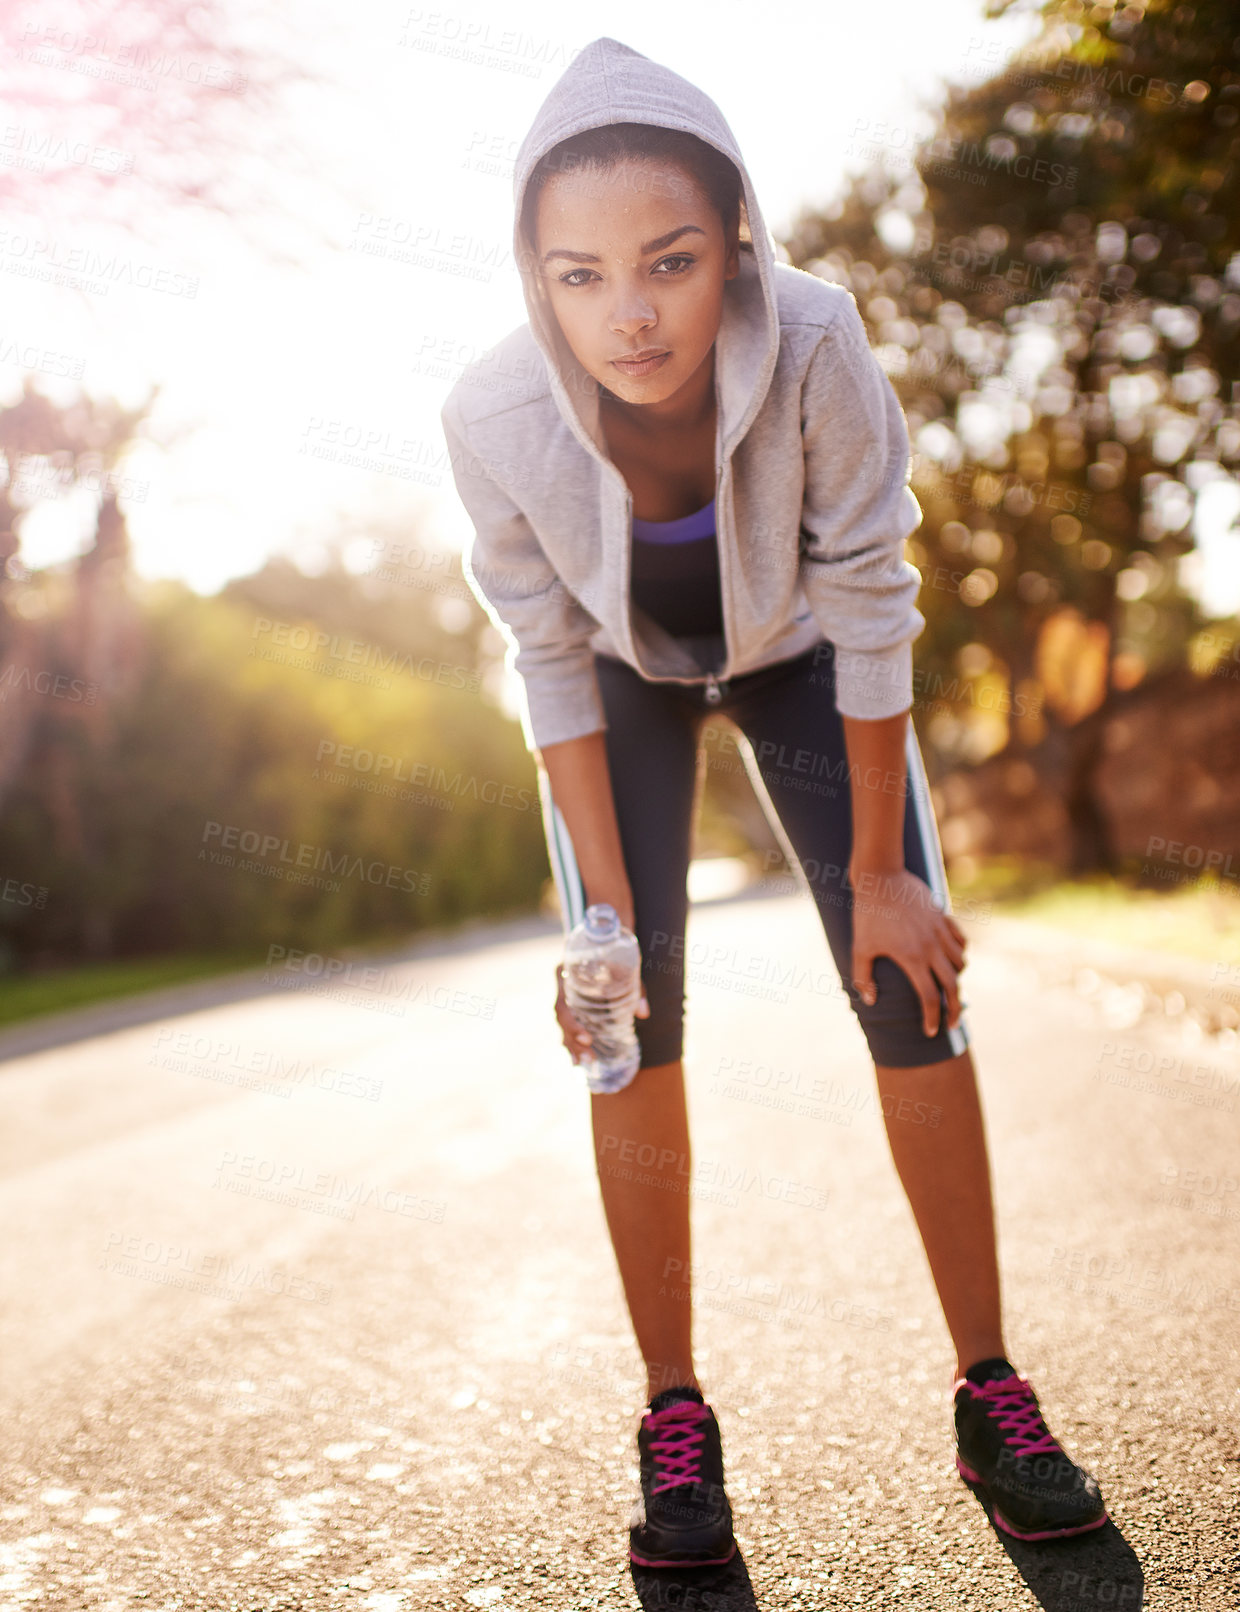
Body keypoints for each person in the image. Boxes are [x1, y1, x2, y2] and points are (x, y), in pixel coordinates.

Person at [440, 35, 1108, 1569]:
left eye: (669, 261)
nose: (631, 311)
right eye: (581, 275)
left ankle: (991, 1394)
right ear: (533, 278)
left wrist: (885, 875)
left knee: (907, 976)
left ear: (735, 238)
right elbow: (546, 658)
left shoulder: (814, 340)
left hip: (805, 657)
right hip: (619, 681)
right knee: (621, 1023)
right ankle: (675, 1424)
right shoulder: (492, 415)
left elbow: (874, 599)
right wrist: (601, 929)